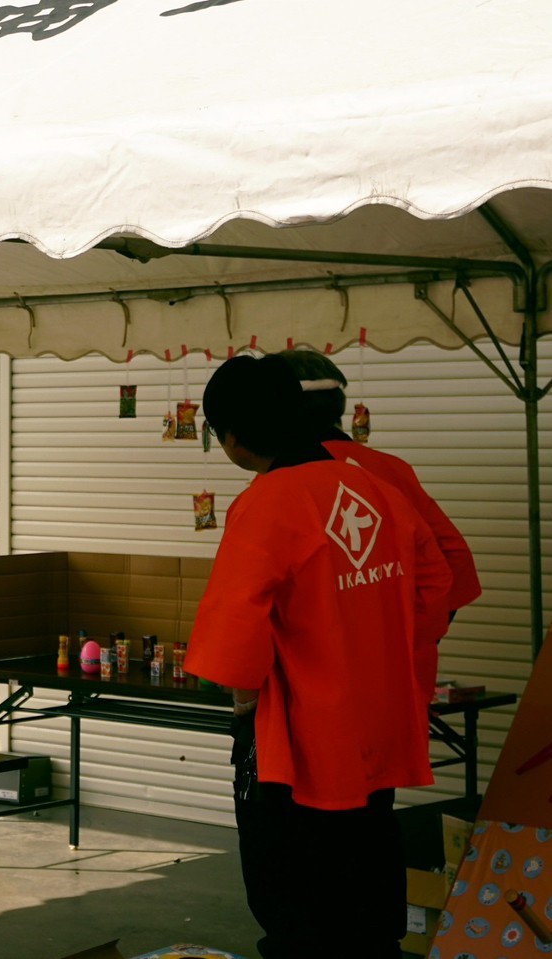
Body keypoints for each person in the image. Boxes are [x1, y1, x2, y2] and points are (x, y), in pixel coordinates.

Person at [183, 355, 451, 958]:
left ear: (231, 437)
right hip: (378, 722)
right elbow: (436, 586)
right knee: (368, 871)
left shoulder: (265, 503)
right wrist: (380, 649)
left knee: (295, 902)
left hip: (297, 742)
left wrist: (244, 702)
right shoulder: (372, 487)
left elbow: (232, 644)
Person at [278, 349, 482, 680]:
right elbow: (453, 557)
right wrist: (417, 634)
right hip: (399, 671)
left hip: (319, 677)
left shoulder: (284, 479)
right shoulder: (391, 469)